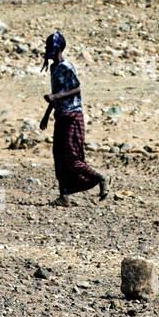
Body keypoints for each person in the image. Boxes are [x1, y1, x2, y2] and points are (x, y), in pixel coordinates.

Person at [41, 31, 108, 206]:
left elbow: (76, 89)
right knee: (59, 157)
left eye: (50, 46)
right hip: (61, 116)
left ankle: (100, 179)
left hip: (72, 116)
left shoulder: (66, 66)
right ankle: (64, 196)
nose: (47, 49)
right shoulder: (54, 68)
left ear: (58, 48)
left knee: (72, 157)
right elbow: (56, 93)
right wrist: (46, 116)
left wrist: (55, 98)